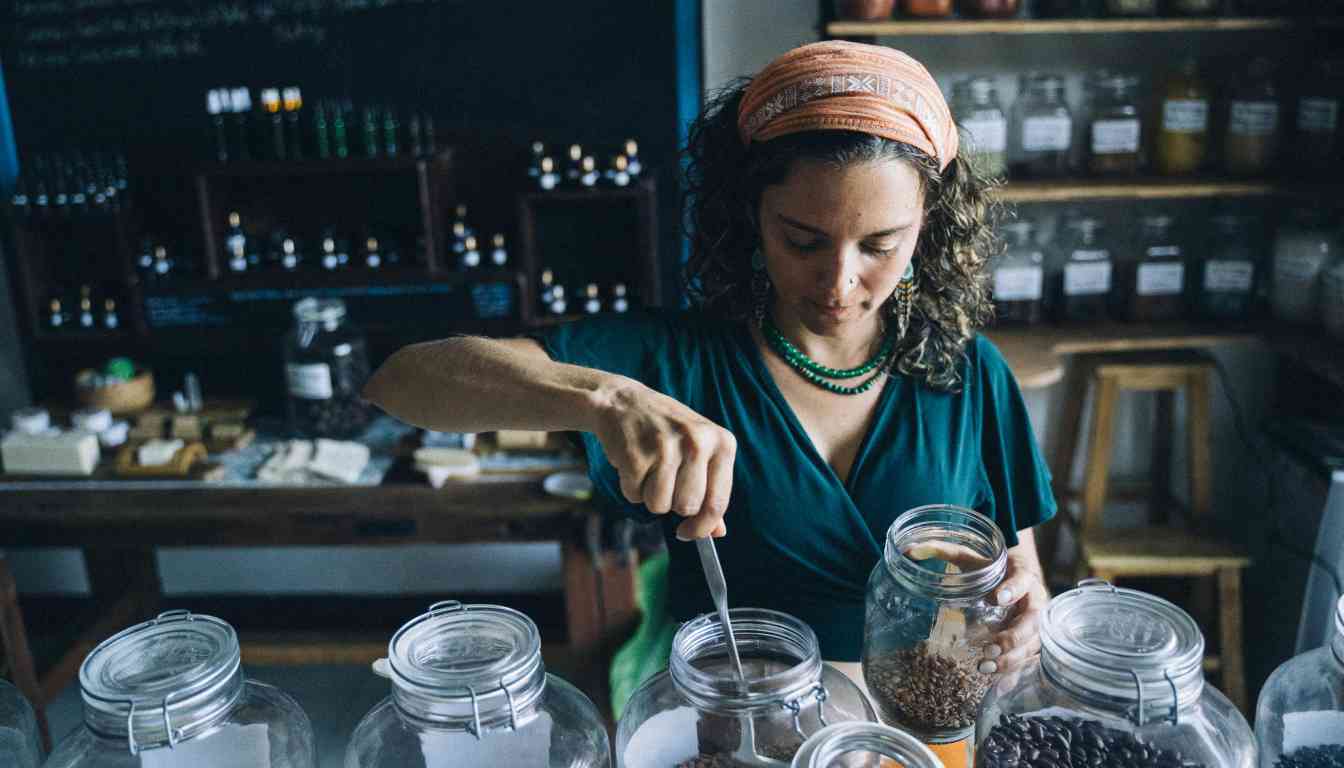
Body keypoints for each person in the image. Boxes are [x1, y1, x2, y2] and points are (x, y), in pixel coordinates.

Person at [363, 41, 1055, 690]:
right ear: (751, 216)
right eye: (803, 240)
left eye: (880, 245)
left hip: (918, 718)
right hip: (741, 721)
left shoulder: (969, 374)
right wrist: (605, 400)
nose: (839, 285)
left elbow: (1021, 572)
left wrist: (1023, 616)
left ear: (927, 226)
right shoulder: (679, 359)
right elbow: (403, 380)